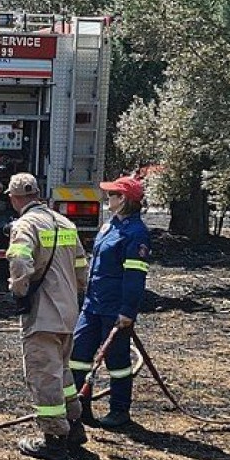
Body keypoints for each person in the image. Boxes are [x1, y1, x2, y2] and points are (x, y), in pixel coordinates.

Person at [5, 173, 89, 460]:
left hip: (43, 315)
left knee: (44, 376)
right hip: (68, 312)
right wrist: (74, 294)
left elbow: (18, 258)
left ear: (15, 198)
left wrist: (19, 290)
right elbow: (81, 267)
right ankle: (75, 425)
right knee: (63, 372)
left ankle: (54, 441)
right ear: (38, 194)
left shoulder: (25, 225)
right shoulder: (65, 222)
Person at [69, 175, 151, 429]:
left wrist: (127, 311)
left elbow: (135, 276)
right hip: (93, 306)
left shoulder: (136, 234)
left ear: (123, 199)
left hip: (115, 309)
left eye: (112, 194)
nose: (108, 198)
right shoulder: (109, 225)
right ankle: (80, 407)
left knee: (117, 363)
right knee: (78, 355)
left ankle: (119, 411)